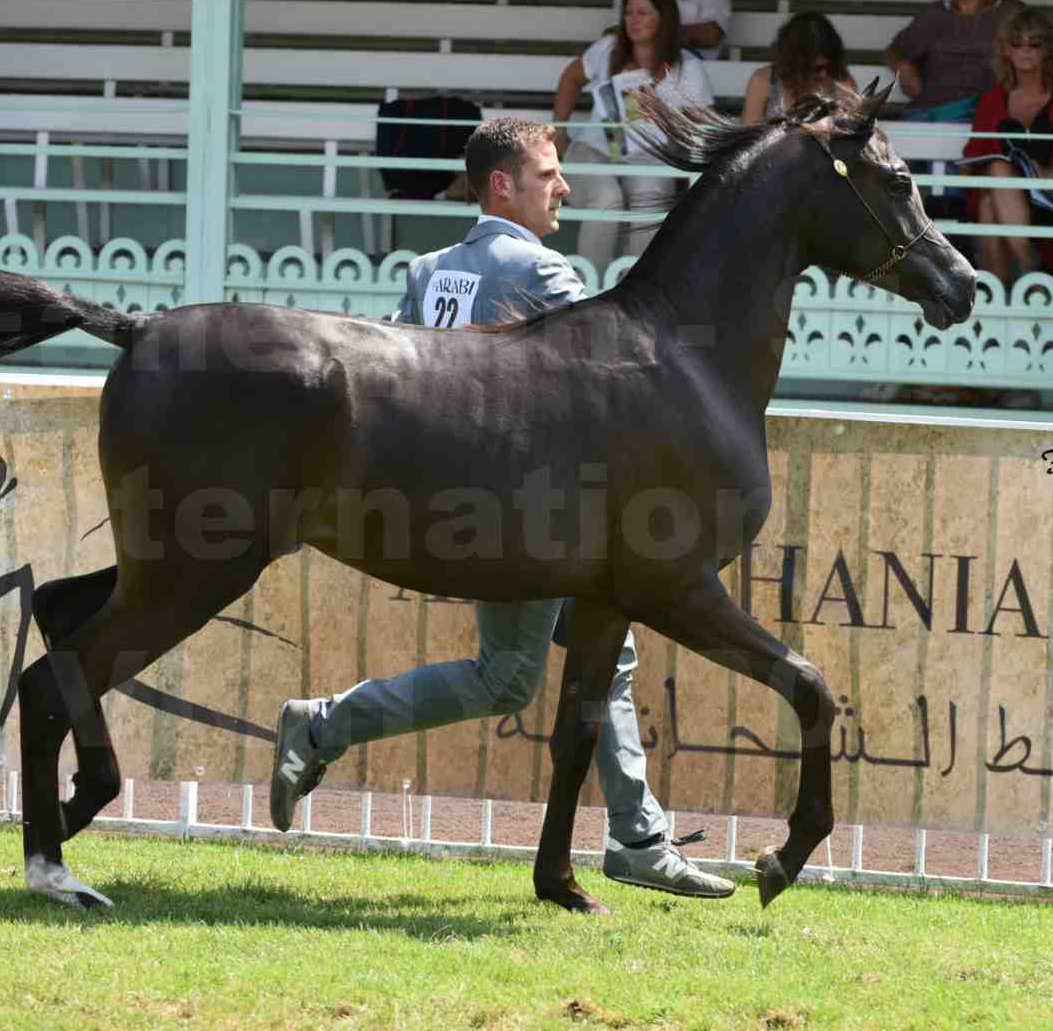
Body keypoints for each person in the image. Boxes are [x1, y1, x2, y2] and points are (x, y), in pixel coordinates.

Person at [269, 117, 735, 901]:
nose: (564, 187)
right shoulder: (547, 275)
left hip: (454, 505)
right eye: (548, 174)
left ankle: (639, 838)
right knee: (507, 680)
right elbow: (607, 393)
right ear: (501, 186)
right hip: (534, 515)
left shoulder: (426, 272)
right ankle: (322, 724)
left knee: (605, 658)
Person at [552, 0, 715, 278]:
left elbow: (703, 122)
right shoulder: (607, 49)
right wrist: (559, 132)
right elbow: (570, 78)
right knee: (607, 199)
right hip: (594, 151)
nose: (633, 20)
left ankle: (631, 292)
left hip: (651, 156)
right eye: (628, 12)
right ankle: (587, 290)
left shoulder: (686, 66)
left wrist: (674, 125)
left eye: (643, 12)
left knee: (648, 197)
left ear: (663, 18)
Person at [963, 6, 1053, 293]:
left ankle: (998, 295)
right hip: (1009, 197)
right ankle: (1031, 269)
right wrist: (970, 163)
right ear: (1006, 50)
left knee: (992, 196)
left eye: (1034, 43)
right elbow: (975, 150)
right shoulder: (992, 100)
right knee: (994, 186)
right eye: (1016, 44)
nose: (1025, 51)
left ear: (1047, 49)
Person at [885, 0, 1024, 122]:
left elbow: (1038, 49)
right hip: (928, 110)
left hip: (982, 112)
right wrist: (903, 66)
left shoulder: (1009, 12)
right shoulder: (935, 13)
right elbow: (894, 50)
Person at [741, 12, 857, 125]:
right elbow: (747, 139)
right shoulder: (763, 82)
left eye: (830, 66)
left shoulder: (843, 84)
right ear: (794, 64)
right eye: (817, 68)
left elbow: (850, 137)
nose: (824, 74)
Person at [611, 0, 732, 57]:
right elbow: (611, 30)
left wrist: (657, 33)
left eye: (642, 12)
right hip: (636, 62)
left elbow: (713, 34)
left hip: (691, 62)